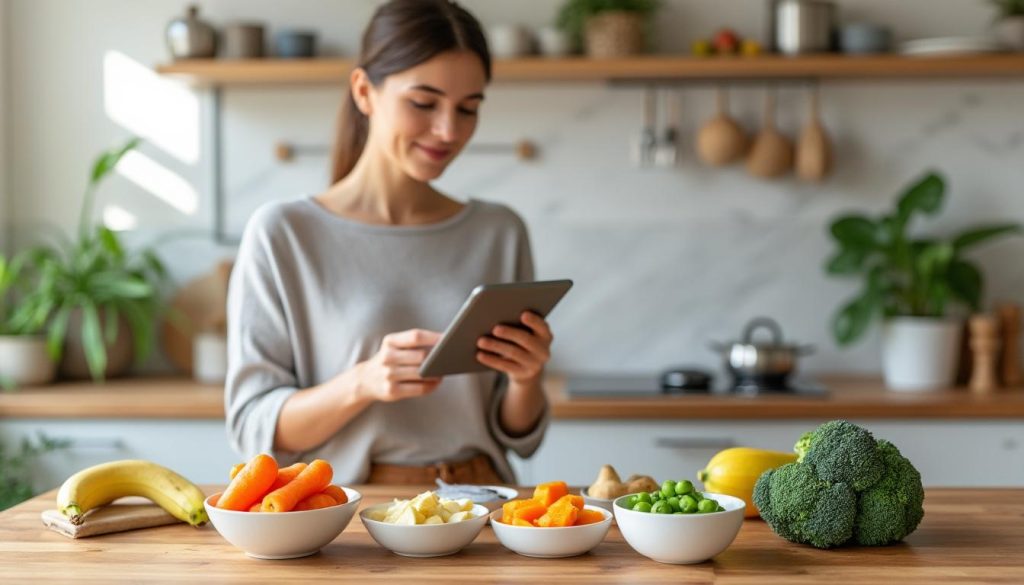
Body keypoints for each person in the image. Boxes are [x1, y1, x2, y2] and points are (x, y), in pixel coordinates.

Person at [225, 0, 552, 485]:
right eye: (424, 103)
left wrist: (527, 378)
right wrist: (361, 383)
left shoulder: (499, 232)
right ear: (364, 91)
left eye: (468, 109)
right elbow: (253, 429)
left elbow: (519, 437)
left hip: (484, 508)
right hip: (348, 516)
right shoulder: (283, 233)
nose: (448, 131)